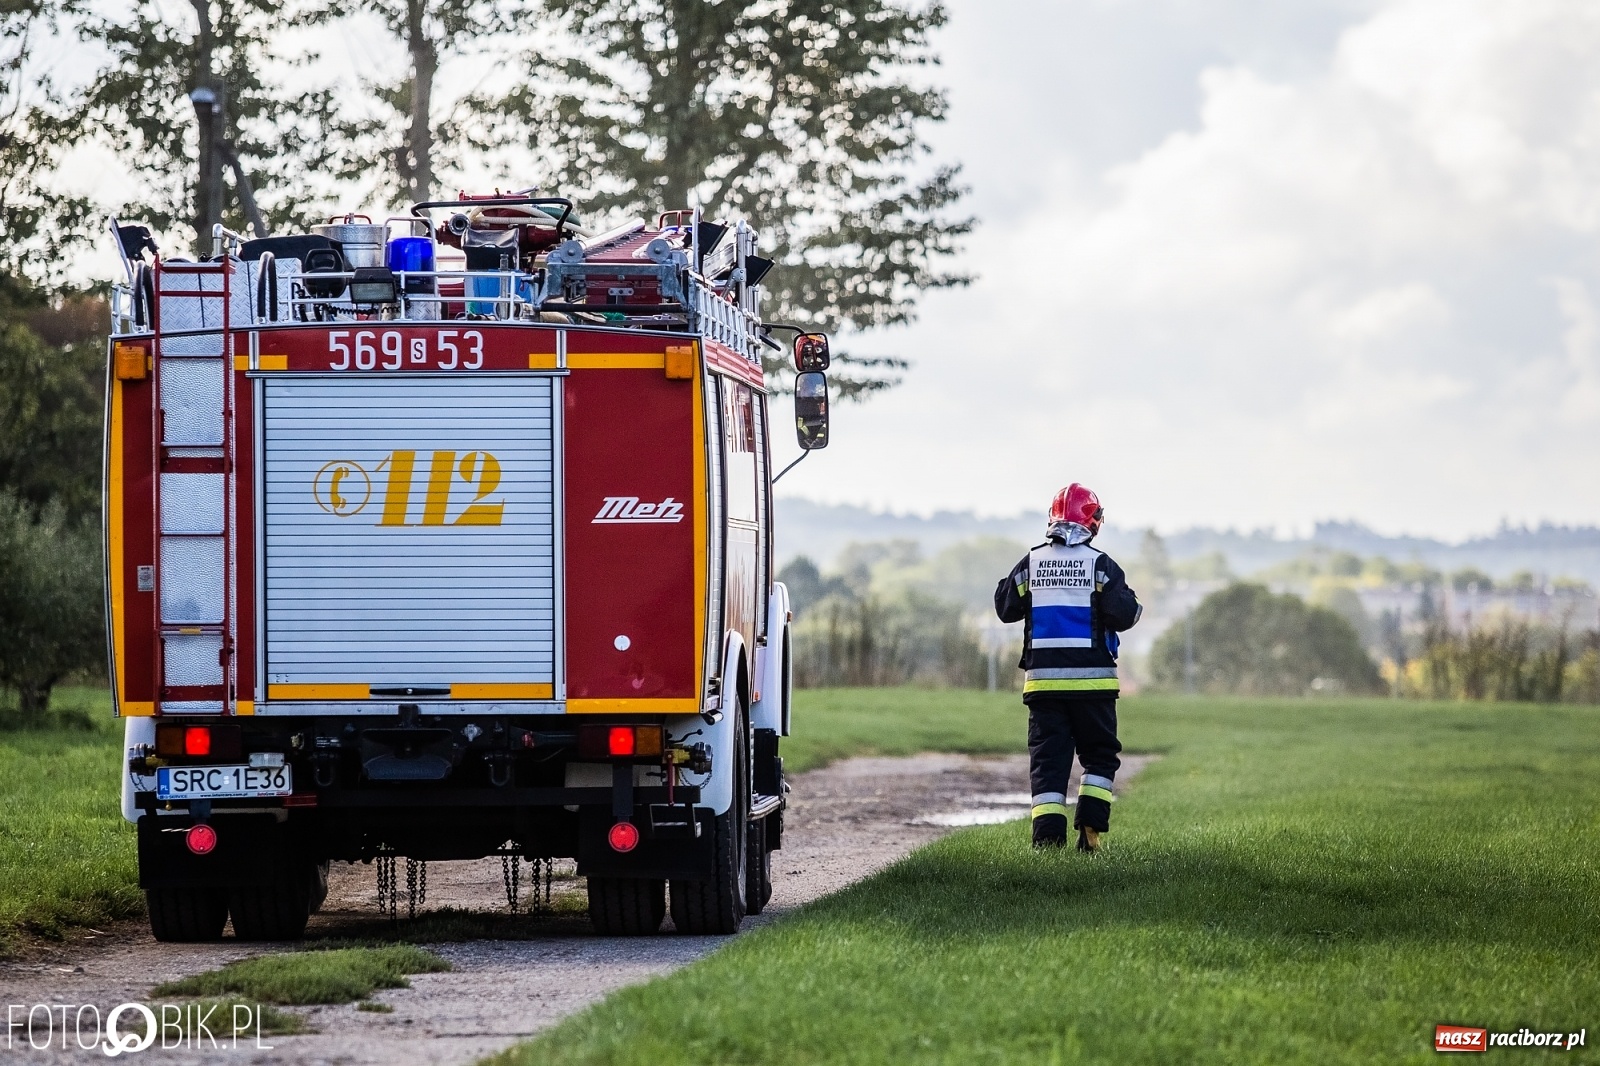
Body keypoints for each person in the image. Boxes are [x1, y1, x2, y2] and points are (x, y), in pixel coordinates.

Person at [994, 484, 1142, 851]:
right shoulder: (1100, 565)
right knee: (1099, 757)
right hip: (1093, 688)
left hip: (1044, 690)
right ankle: (1090, 836)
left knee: (1049, 763)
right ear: (1091, 522)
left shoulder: (1031, 562)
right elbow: (1125, 615)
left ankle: (1047, 843)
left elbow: (1004, 607)